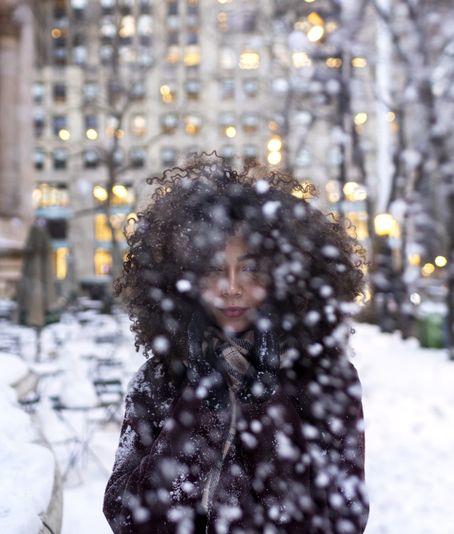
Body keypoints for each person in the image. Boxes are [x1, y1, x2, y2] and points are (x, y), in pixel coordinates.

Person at [103, 156, 369, 533]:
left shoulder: (326, 380)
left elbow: (340, 521)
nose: (231, 286)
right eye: (213, 268)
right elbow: (127, 518)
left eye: (249, 268)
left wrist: (262, 405)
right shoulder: (158, 379)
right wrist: (201, 406)